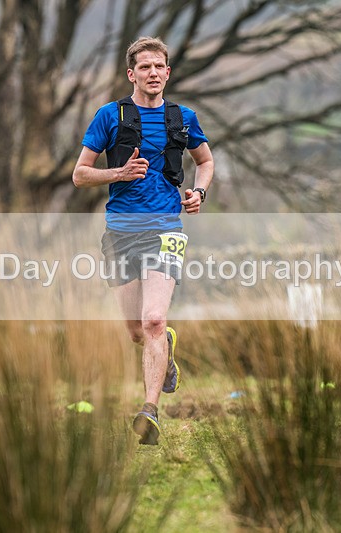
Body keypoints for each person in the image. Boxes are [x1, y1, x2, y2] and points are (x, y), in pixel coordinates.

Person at [72, 36, 214, 445]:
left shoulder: (183, 118)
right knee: (137, 331)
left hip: (166, 229)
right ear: (131, 74)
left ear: (167, 73)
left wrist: (198, 193)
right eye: (145, 67)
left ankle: (149, 410)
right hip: (120, 232)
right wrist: (118, 174)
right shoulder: (109, 115)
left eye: (159, 67)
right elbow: (80, 174)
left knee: (153, 319)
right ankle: (163, 345)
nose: (153, 73)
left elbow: (205, 161)